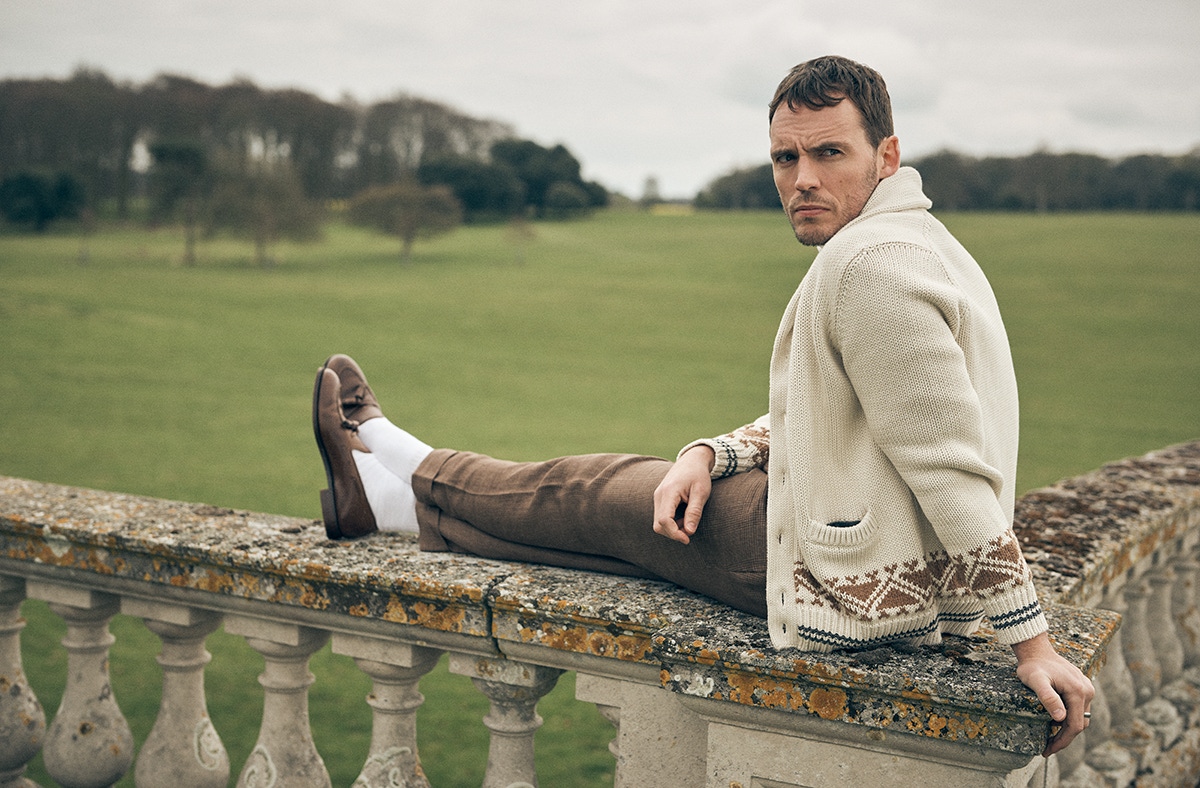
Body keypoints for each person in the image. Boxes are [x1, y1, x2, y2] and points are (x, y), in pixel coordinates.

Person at [311, 55, 1094, 756]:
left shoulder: (872, 268)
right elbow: (843, 419)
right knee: (616, 537)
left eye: (829, 153)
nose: (802, 180)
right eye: (785, 158)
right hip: (869, 556)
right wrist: (711, 455)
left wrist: (1031, 644)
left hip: (829, 573)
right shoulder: (922, 241)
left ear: (885, 156)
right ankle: (382, 502)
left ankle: (390, 451)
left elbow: (948, 466)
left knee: (588, 493)